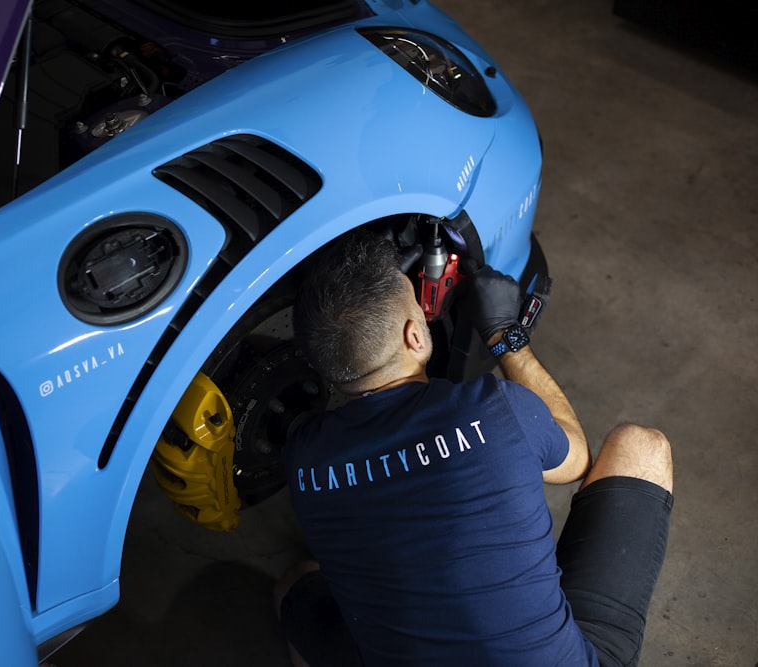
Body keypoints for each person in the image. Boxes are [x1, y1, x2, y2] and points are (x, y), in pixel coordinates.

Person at [274, 229, 673, 667]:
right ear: (415, 337)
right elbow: (575, 459)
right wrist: (506, 334)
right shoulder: (494, 408)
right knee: (641, 445)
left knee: (295, 585)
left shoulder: (304, 456)